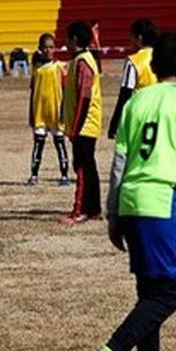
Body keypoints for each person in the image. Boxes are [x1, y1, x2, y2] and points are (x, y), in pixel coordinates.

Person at [80, 31, 176, 351]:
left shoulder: (135, 103)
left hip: (133, 203)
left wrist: (113, 213)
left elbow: (119, 164)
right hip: (159, 204)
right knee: (168, 296)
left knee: (149, 295)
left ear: (151, 67)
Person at [63, 20, 104, 225]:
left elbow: (84, 98)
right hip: (86, 124)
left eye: (67, 39)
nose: (65, 43)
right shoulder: (81, 60)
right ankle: (94, 208)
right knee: (89, 166)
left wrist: (75, 128)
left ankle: (79, 210)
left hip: (84, 125)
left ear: (75, 40)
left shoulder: (82, 63)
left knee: (81, 166)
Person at [27, 33, 70, 187]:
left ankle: (64, 175)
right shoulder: (37, 69)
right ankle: (33, 175)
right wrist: (30, 112)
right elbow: (33, 91)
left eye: (51, 47)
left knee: (60, 143)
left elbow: (65, 91)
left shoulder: (60, 67)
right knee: (38, 144)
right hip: (40, 111)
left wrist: (64, 111)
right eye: (45, 47)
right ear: (40, 49)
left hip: (55, 112)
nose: (48, 50)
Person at [108, 19, 158, 140]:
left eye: (132, 37)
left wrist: (114, 124)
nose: (131, 40)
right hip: (159, 113)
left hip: (140, 115)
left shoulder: (133, 61)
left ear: (139, 38)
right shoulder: (160, 57)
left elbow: (125, 94)